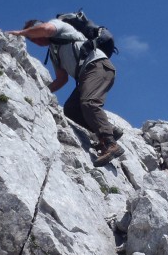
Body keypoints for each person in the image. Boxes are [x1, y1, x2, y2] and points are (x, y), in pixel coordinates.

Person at [8, 18, 123, 166]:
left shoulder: (60, 26)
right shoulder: (54, 52)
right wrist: (41, 91)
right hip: (86, 74)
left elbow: (47, 29)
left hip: (98, 67)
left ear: (38, 28)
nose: (35, 42)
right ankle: (110, 131)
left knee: (89, 102)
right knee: (71, 110)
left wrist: (22, 32)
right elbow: (61, 79)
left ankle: (110, 144)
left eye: (33, 37)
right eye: (31, 40)